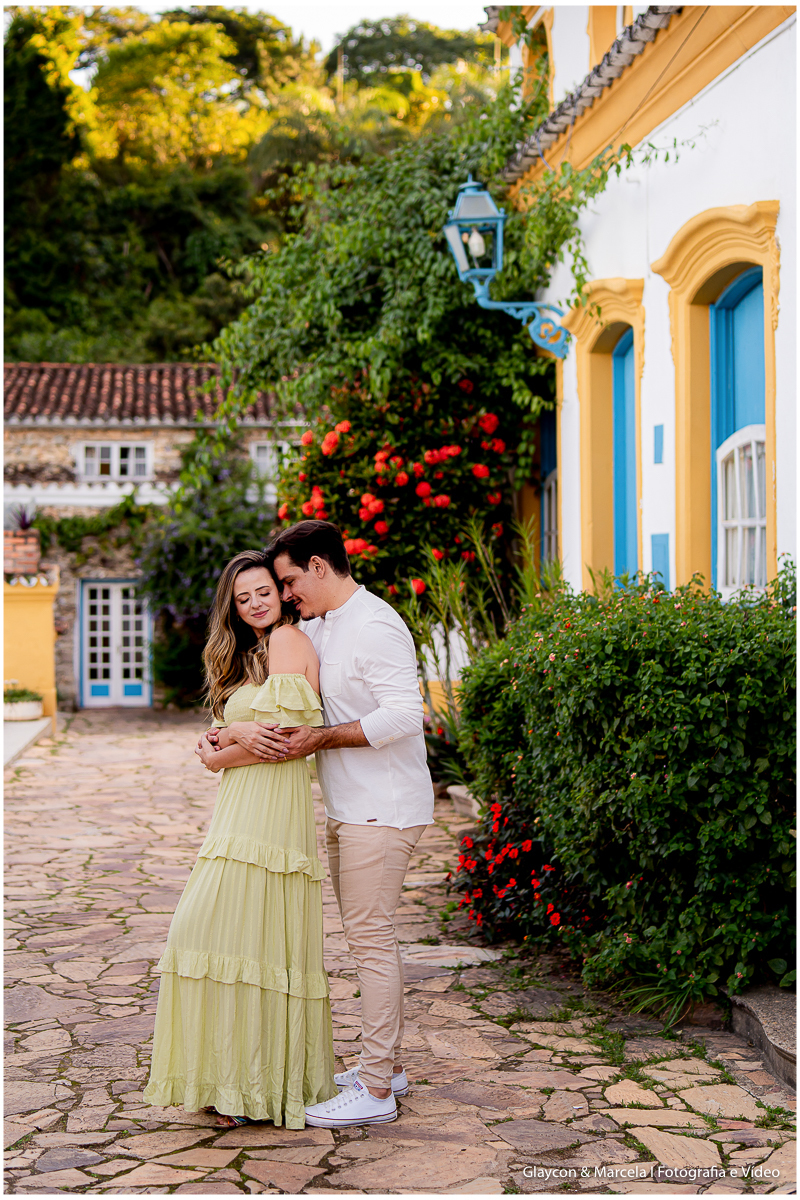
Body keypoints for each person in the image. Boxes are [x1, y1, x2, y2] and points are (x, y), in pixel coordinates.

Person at [224, 520, 435, 1128]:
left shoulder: (374, 624)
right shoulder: (324, 625)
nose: (285, 594)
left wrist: (321, 737)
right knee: (365, 938)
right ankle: (384, 1068)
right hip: (350, 807)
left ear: (320, 567)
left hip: (384, 808)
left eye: (289, 581)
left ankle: (375, 1091)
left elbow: (404, 714)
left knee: (371, 940)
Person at [143, 549, 336, 1129]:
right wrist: (229, 734)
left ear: (281, 593)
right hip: (242, 812)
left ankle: (248, 1086)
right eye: (242, 596)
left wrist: (219, 748)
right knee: (233, 940)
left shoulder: (285, 641)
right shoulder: (254, 654)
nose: (254, 603)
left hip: (269, 816)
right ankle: (232, 1083)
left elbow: (277, 741)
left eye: (264, 592)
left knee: (217, 932)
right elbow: (248, 736)